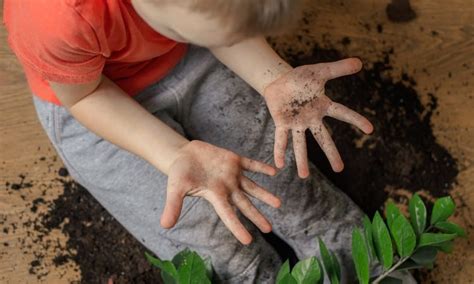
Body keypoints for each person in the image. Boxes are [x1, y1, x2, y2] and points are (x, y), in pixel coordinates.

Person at [4, 0, 375, 282]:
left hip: (187, 52)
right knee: (216, 243)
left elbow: (223, 28)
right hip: (92, 100)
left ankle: (365, 259)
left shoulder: (194, 15)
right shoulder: (55, 14)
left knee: (290, 189)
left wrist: (272, 77)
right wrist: (173, 153)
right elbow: (84, 97)